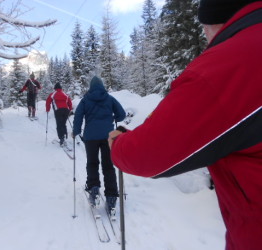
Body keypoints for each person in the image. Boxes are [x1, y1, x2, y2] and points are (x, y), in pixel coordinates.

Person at [108, 1, 262, 249]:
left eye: (204, 28)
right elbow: (117, 109)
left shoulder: (226, 66)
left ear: (215, 22)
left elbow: (149, 153)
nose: (205, 36)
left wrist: (117, 142)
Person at [73, 76, 126, 215]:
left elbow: (78, 116)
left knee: (92, 163)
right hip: (108, 136)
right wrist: (113, 118)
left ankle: (94, 188)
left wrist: (76, 131)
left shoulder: (85, 100)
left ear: (91, 87)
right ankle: (111, 196)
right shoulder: (109, 98)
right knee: (108, 166)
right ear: (102, 86)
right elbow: (122, 115)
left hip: (90, 137)